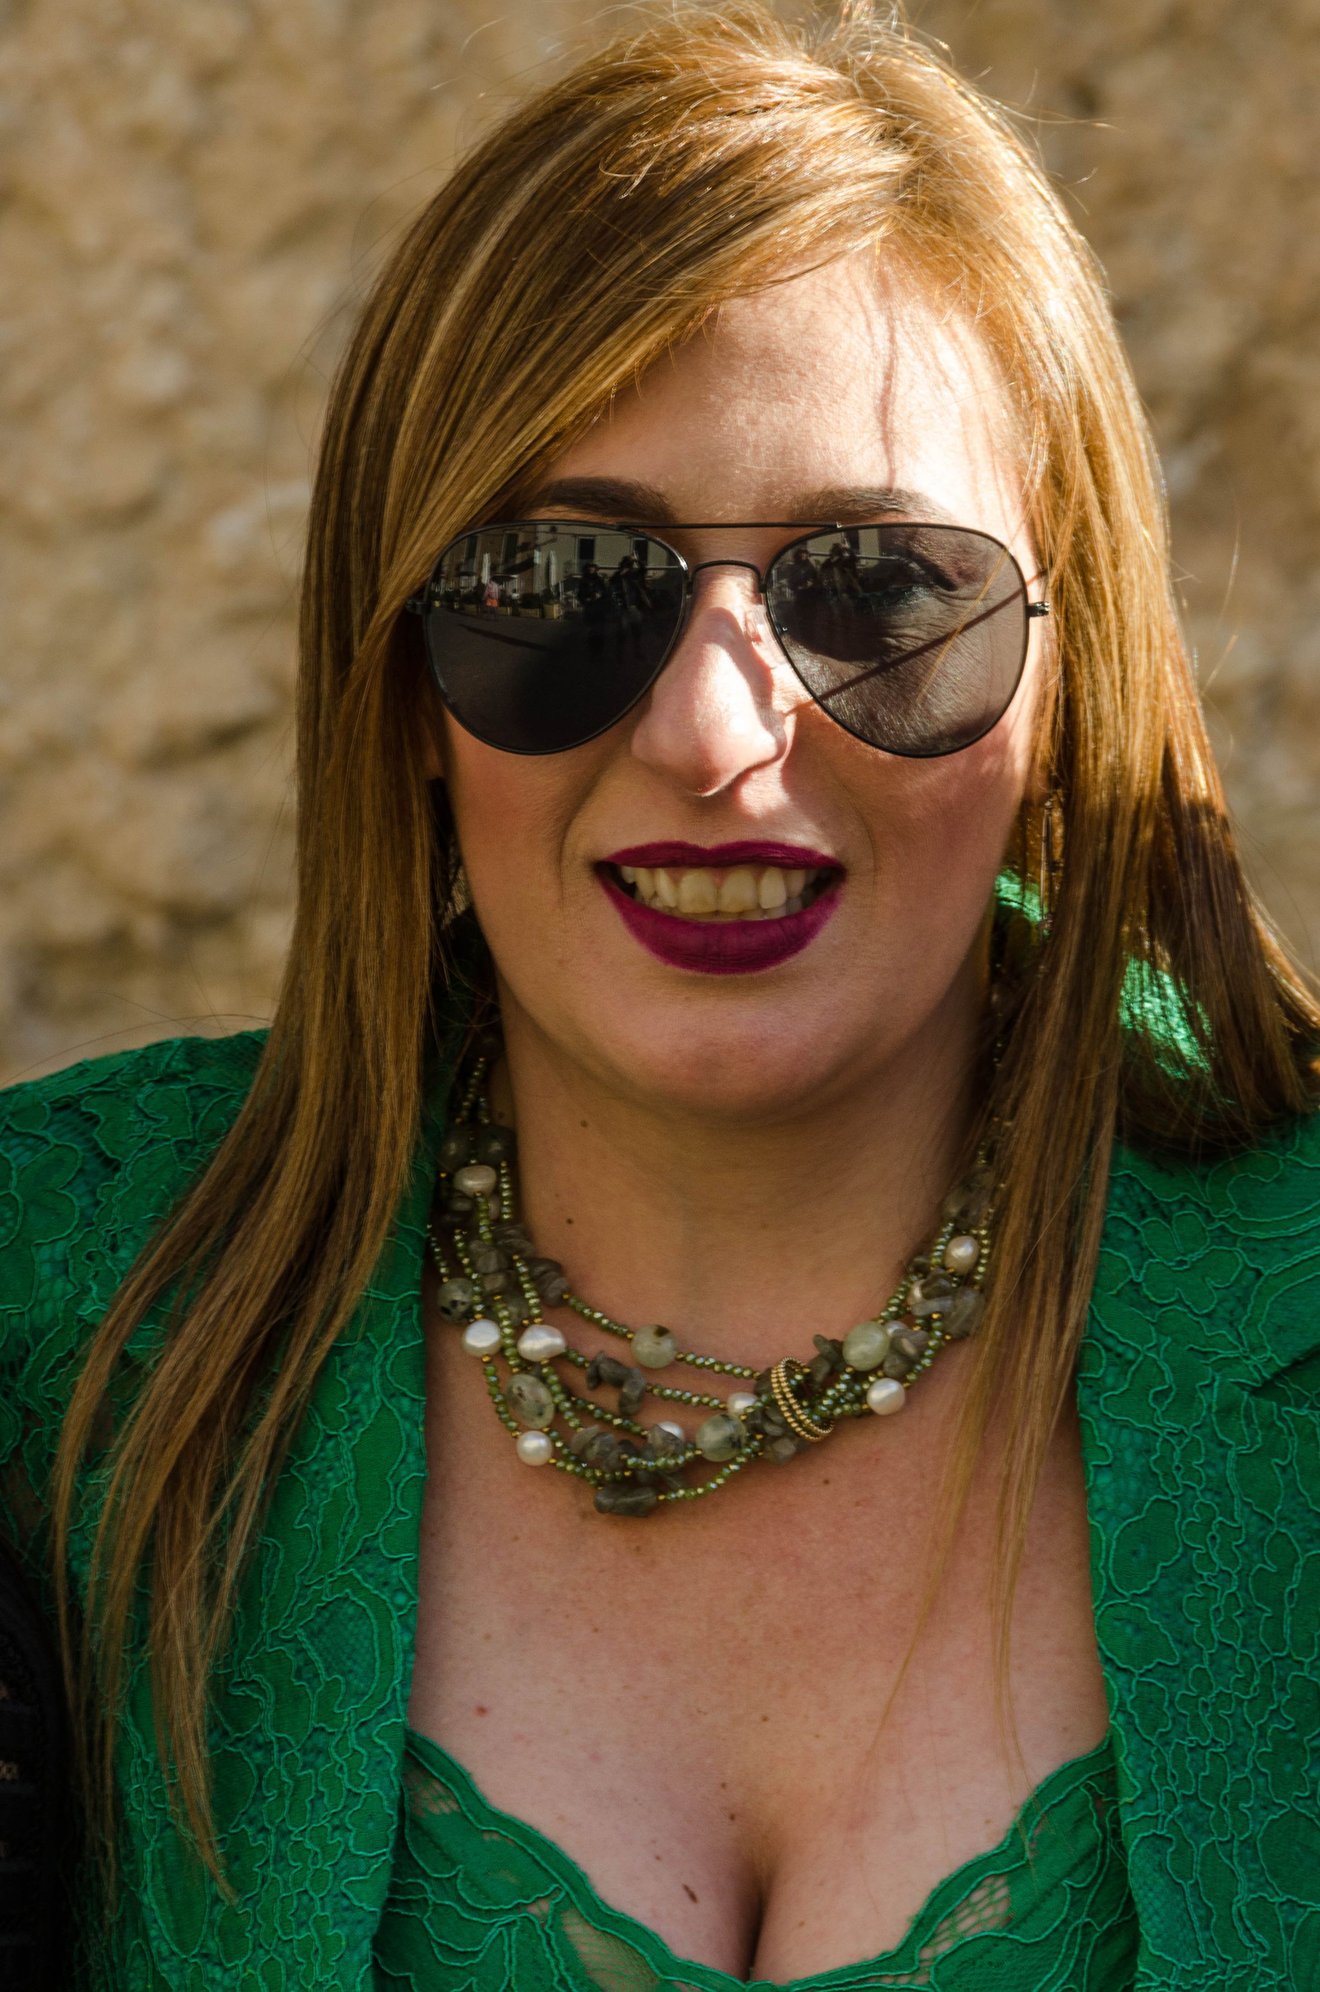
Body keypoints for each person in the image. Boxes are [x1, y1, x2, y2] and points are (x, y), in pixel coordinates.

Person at [1, 6, 1317, 1988]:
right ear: (400, 688)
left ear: (1071, 664)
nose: (717, 735)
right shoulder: (55, 1330)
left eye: (876, 582)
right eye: (556, 583)